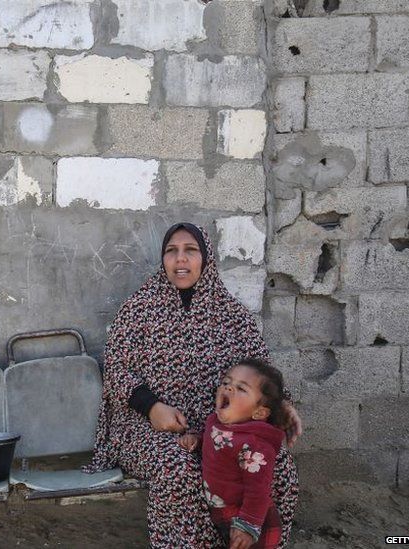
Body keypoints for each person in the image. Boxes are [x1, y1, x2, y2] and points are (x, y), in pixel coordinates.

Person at [86, 222, 301, 547]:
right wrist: (152, 407)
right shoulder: (138, 310)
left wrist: (282, 404)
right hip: (146, 428)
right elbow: (116, 370)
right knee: (179, 468)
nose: (180, 259)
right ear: (163, 260)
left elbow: (261, 372)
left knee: (276, 462)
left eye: (191, 250)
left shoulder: (234, 316)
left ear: (206, 258)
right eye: (172, 251)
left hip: (223, 426)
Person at [179, 359, 289, 549]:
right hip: (223, 512)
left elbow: (258, 490)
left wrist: (247, 527)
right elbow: (219, 446)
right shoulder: (218, 423)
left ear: (259, 413)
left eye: (241, 388)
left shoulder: (255, 446)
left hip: (248, 521)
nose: (229, 388)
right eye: (226, 383)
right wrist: (198, 441)